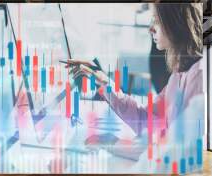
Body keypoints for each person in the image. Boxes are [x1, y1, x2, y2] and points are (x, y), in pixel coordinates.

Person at [67, 3, 203, 142]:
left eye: (156, 20)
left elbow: (176, 148)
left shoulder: (197, 75)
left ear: (174, 21)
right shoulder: (176, 78)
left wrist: (115, 143)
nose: (150, 29)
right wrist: (104, 82)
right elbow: (145, 119)